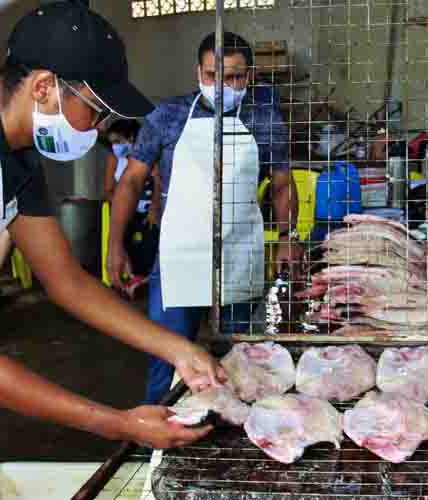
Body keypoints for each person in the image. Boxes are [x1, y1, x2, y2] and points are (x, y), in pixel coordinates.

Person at [0, 4, 225, 498]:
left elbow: (66, 280)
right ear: (45, 87)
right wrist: (121, 425)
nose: (96, 129)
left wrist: (177, 349)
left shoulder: (11, 148)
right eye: (94, 110)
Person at [107, 32, 301, 404]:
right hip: (180, 254)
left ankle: (233, 442)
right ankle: (157, 448)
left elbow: (281, 185)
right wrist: (116, 245)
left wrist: (288, 237)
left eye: (234, 77)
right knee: (167, 356)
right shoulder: (167, 116)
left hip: (240, 251)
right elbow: (130, 181)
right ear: (198, 71)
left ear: (250, 76)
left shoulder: (265, 120)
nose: (223, 86)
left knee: (240, 358)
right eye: (213, 75)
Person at [104, 119, 161, 292]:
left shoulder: (148, 157)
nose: (115, 147)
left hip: (148, 211)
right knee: (124, 240)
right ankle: (128, 277)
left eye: (118, 141)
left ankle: (146, 278)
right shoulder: (114, 159)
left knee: (150, 240)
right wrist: (119, 208)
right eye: (112, 143)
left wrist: (153, 209)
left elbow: (159, 184)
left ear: (132, 138)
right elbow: (108, 189)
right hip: (126, 213)